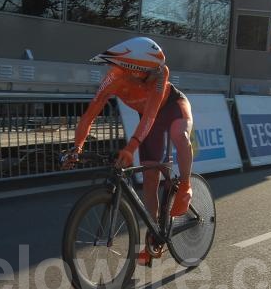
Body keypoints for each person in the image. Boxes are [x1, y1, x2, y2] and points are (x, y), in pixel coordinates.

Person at [63, 37, 194, 266]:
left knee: (179, 135)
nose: (156, 73)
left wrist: (131, 147)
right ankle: (153, 239)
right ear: (136, 69)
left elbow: (152, 114)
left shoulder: (161, 73)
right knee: (150, 182)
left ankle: (185, 186)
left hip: (172, 108)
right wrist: (77, 147)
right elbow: (89, 115)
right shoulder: (114, 77)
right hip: (148, 120)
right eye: (150, 71)